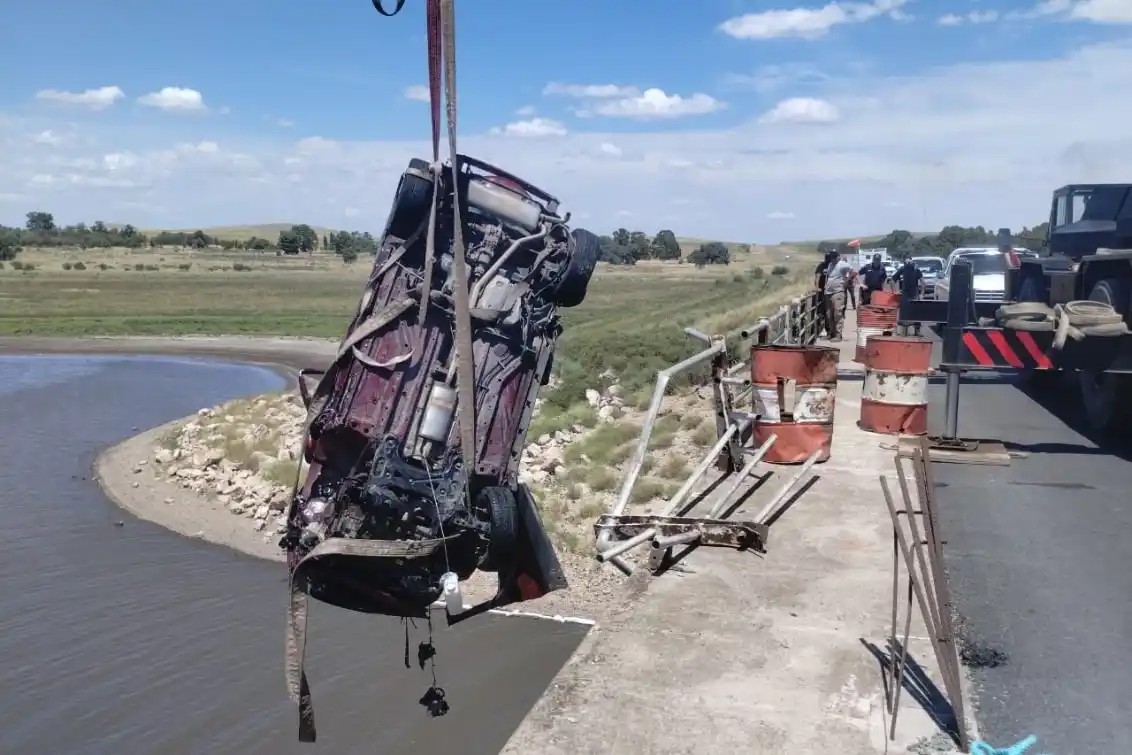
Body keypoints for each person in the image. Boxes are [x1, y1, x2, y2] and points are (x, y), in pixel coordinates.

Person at [822, 252, 853, 341]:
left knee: (837, 313)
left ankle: (838, 334)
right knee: (829, 314)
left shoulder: (842, 264)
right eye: (832, 257)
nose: (833, 259)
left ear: (838, 257)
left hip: (838, 291)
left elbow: (853, 271)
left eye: (834, 257)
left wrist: (846, 281)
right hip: (828, 292)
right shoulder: (830, 265)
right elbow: (828, 276)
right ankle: (831, 333)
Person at [892, 258, 925, 334]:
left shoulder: (916, 270)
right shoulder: (902, 270)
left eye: (909, 262)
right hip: (904, 294)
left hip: (914, 294)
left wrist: (922, 294)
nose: (908, 264)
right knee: (902, 313)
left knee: (916, 313)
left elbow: (923, 283)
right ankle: (898, 330)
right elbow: (892, 280)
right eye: (906, 263)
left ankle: (917, 331)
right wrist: (894, 292)